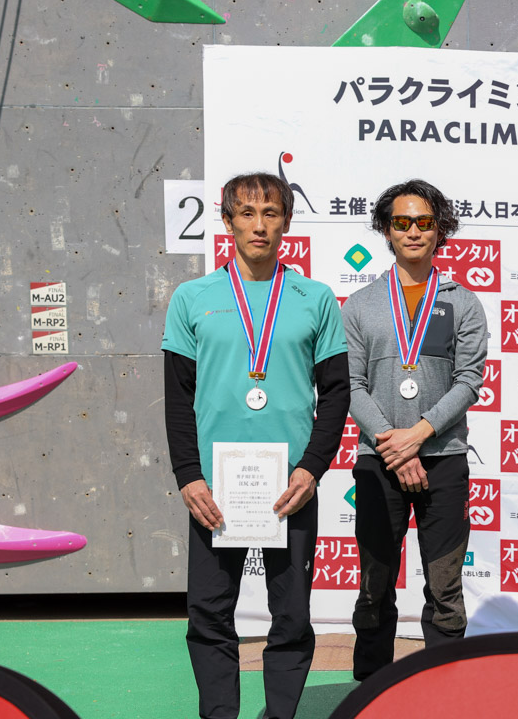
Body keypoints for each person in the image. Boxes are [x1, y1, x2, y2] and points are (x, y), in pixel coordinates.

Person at [163, 172, 349, 719]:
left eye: (271, 213)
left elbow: (336, 393)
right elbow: (177, 397)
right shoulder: (192, 297)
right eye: (246, 213)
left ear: (287, 222)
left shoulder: (315, 298)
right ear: (227, 222)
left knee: (290, 616)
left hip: (290, 486)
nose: (259, 225)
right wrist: (188, 475)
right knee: (208, 613)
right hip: (215, 488)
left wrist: (312, 469)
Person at [342, 179, 487, 681]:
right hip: (378, 460)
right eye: (401, 222)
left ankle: (443, 693)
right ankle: (370, 692)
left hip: (444, 458)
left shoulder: (463, 302)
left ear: (439, 229)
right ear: (386, 229)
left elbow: (470, 381)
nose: (413, 231)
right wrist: (394, 445)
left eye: (424, 222)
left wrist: (419, 435)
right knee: (374, 586)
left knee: (445, 589)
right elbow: (351, 385)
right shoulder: (360, 304)